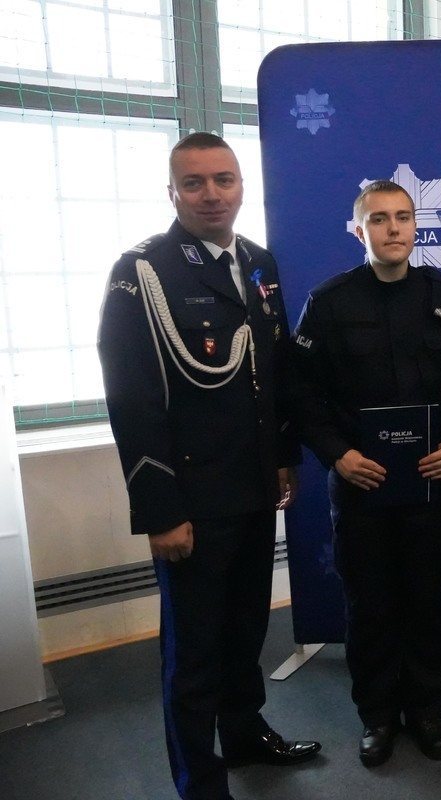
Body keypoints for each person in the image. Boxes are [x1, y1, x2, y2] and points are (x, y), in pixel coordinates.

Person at [97, 132, 319, 800]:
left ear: (241, 186)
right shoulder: (142, 272)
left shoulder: (258, 263)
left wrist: (284, 458)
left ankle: (245, 734)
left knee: (245, 631)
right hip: (191, 499)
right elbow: (132, 400)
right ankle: (200, 779)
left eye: (224, 179)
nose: (211, 194)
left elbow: (271, 371)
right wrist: (160, 511)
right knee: (193, 651)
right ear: (172, 192)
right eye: (194, 183)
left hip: (252, 488)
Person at [290, 180, 441, 767]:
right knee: (369, 605)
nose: (393, 228)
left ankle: (425, 709)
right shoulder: (329, 303)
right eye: (379, 219)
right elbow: (302, 395)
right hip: (361, 484)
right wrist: (337, 455)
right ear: (359, 230)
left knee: (426, 600)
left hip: (430, 482)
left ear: (416, 225)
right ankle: (376, 715)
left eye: (403, 217)